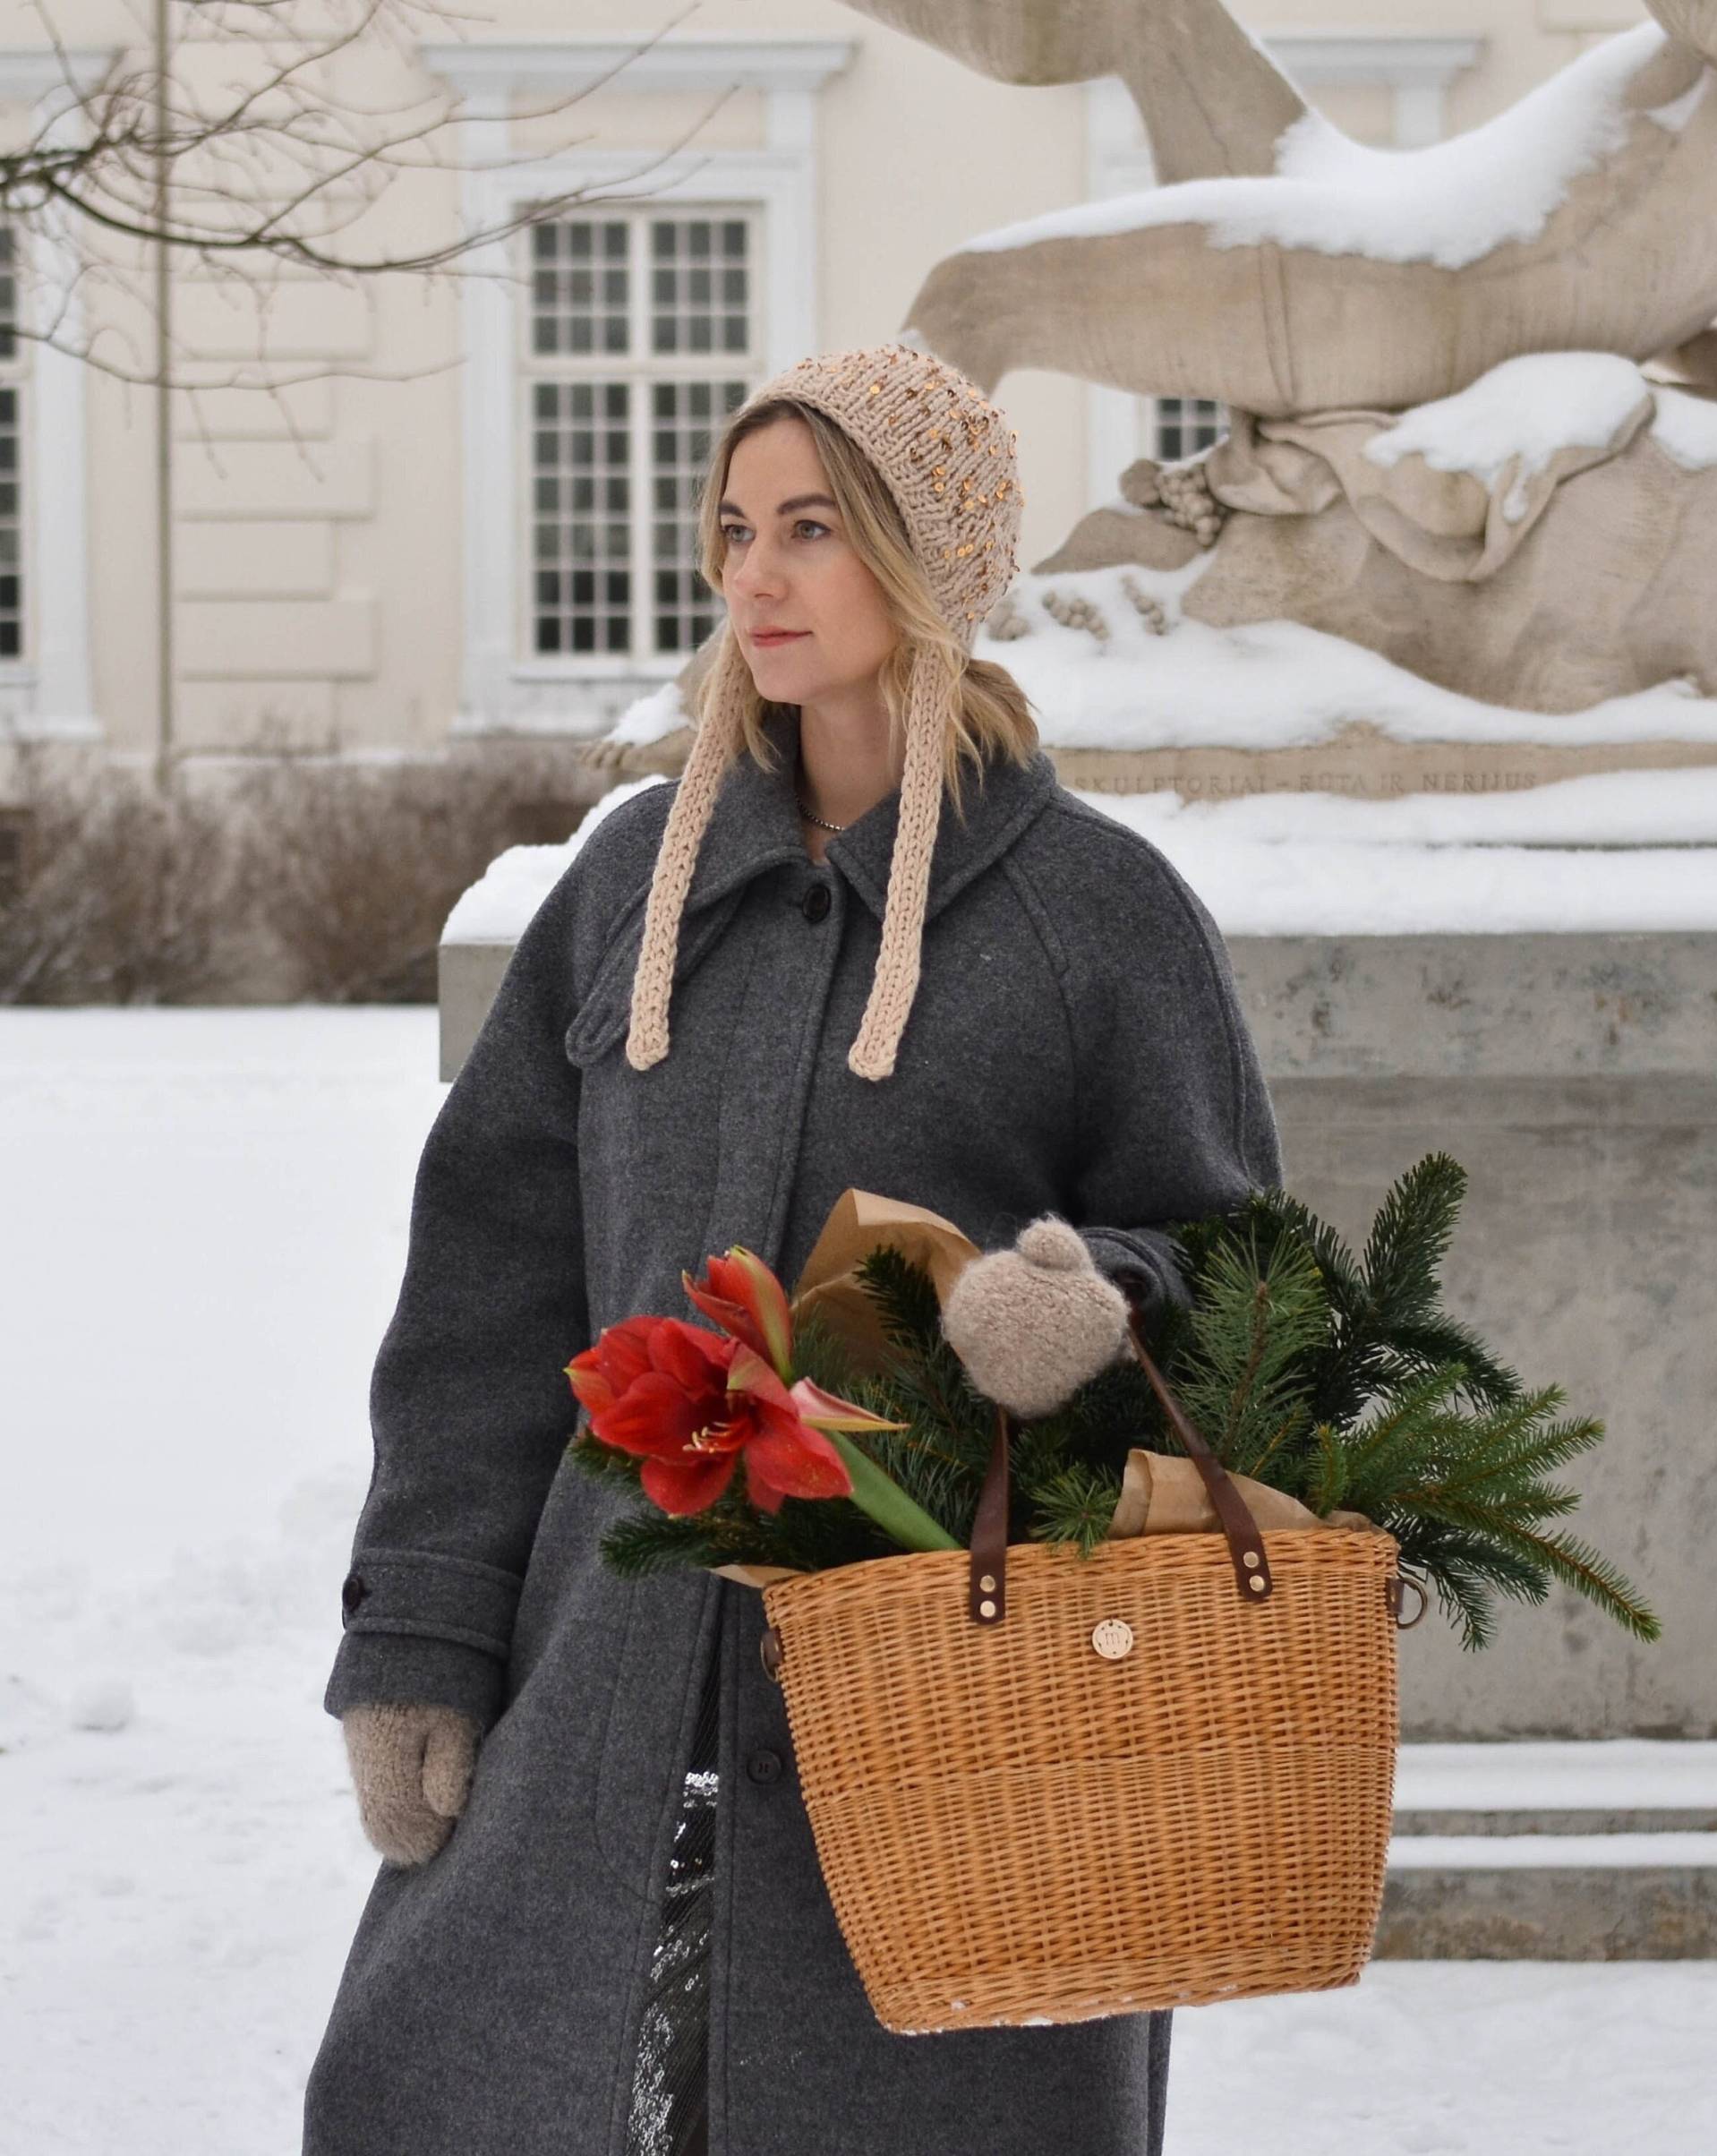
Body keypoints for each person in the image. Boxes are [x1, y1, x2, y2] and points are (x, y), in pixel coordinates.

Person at [304, 341, 1282, 2156]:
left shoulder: (1102, 916)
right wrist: (422, 1629)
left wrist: (1095, 1297)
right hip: (602, 1713)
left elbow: (1241, 1266)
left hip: (955, 1742)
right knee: (445, 2088)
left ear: (926, 557)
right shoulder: (625, 890)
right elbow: (488, 1290)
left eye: (812, 529)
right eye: (735, 527)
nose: (753, 576)